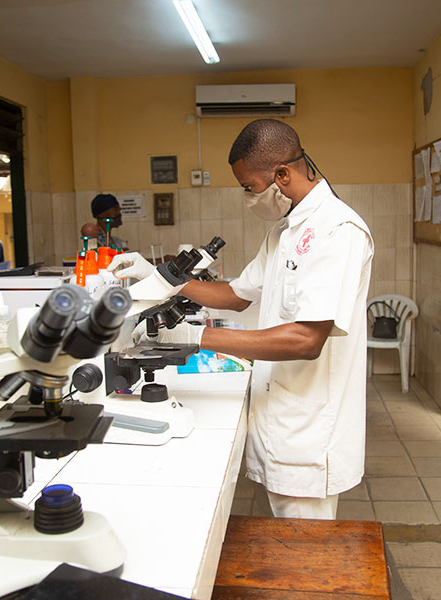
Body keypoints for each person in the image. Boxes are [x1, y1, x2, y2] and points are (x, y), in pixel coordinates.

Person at [115, 119, 373, 519]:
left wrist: (194, 337)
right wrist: (158, 278)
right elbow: (235, 296)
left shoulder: (338, 231)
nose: (249, 198)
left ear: (282, 175)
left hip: (309, 430)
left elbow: (306, 339)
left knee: (304, 555)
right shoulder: (284, 232)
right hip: (279, 416)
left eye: (249, 188)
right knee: (283, 545)